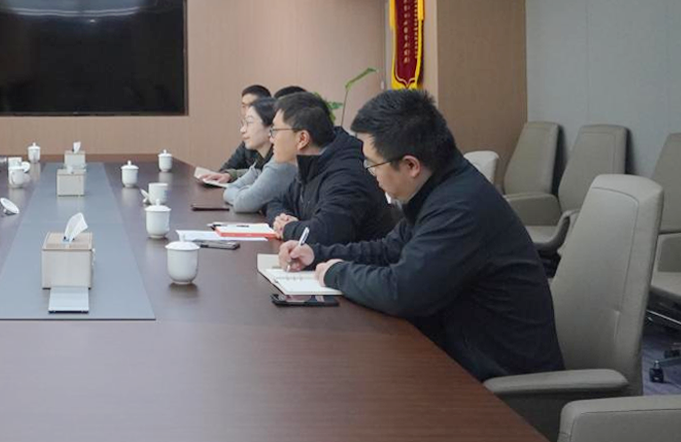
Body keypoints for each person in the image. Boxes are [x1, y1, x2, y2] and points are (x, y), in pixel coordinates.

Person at [279, 89, 564, 381]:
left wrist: (336, 273)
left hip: (497, 382)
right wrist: (317, 255)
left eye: (372, 164)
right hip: (455, 355)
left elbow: (401, 291)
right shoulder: (438, 187)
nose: (369, 173)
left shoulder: (460, 207)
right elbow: (389, 249)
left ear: (411, 165)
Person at [265, 92, 395, 245]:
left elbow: (324, 235)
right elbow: (276, 202)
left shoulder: (347, 175)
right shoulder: (312, 164)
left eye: (275, 131)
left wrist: (288, 228)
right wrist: (283, 219)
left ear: (302, 138)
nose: (271, 138)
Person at [222, 96, 297, 214]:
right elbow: (230, 189)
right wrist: (248, 192)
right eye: (243, 124)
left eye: (249, 123)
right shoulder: (262, 159)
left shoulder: (280, 164)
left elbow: (244, 204)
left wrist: (247, 193)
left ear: (271, 128)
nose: (242, 130)